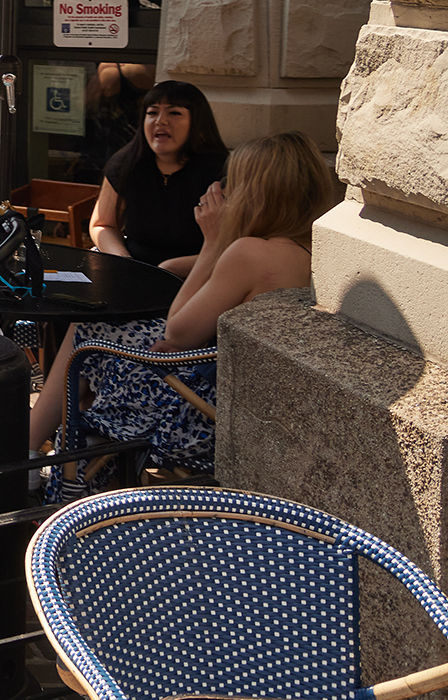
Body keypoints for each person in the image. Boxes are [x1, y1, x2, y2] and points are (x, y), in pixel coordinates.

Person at [29, 131, 335, 462]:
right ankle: (67, 447)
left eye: (234, 183)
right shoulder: (316, 249)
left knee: (89, 332)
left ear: (258, 194)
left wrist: (213, 243)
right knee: (105, 334)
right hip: (255, 406)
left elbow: (177, 333)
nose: (227, 192)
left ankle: (35, 451)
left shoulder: (250, 254)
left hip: (199, 413)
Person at [90, 80, 230, 275]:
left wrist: (168, 270)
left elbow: (235, 244)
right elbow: (102, 224)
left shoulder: (221, 170)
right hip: (134, 271)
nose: (160, 121)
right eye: (152, 112)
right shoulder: (126, 162)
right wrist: (124, 261)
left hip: (198, 273)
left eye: (174, 113)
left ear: (197, 121)